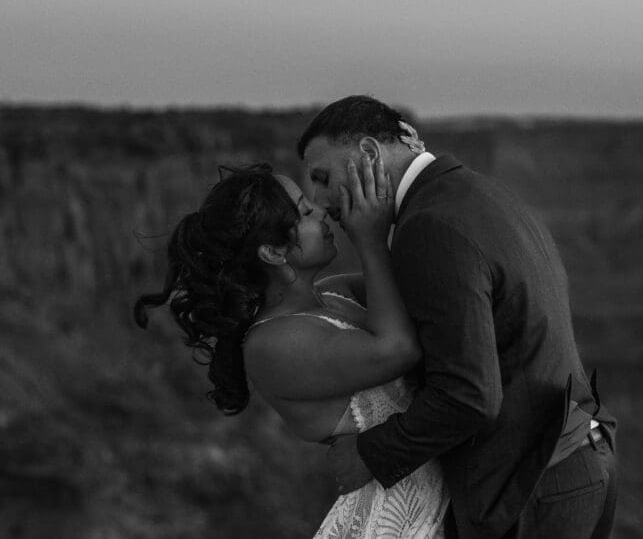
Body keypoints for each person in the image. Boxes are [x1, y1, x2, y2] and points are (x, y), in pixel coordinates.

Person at [297, 95, 618, 538]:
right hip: (577, 463)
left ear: (369, 153)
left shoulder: (429, 226)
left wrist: (370, 453)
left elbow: (469, 395)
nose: (319, 199)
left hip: (536, 485)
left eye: (322, 177)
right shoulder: (474, 193)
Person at [134, 159, 449, 537]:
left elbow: (424, 282)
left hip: (439, 499)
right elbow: (398, 349)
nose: (321, 212)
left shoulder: (336, 293)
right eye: (304, 212)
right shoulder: (271, 345)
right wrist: (370, 240)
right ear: (272, 251)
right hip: (393, 525)